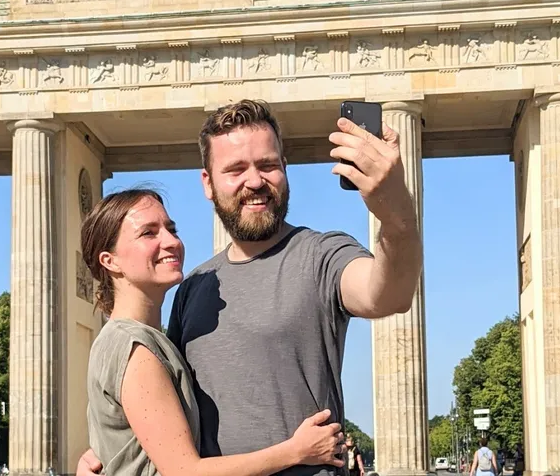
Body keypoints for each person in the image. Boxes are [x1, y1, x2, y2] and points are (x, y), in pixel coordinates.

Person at [78, 99, 422, 475]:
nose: (255, 181)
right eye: (236, 169)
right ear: (208, 183)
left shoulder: (322, 256)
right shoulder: (193, 288)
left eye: (267, 165)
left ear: (285, 168)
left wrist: (395, 209)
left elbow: (390, 294)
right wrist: (111, 448)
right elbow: (165, 419)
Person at [82, 187, 347, 475]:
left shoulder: (136, 340)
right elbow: (184, 471)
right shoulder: (134, 347)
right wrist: (296, 451)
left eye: (171, 229)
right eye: (148, 233)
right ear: (110, 260)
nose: (171, 241)